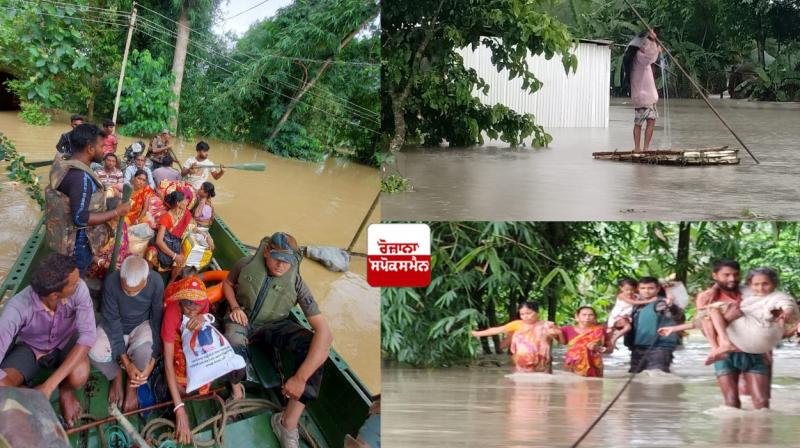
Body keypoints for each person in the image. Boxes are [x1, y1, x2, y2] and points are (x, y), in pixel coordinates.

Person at [220, 232, 332, 448]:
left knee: (316, 349)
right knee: (232, 341)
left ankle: (287, 422)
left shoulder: (297, 283)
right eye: (277, 259)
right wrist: (234, 307)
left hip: (273, 326)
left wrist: (300, 378)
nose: (282, 266)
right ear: (266, 252)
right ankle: (236, 390)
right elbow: (227, 283)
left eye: (288, 262)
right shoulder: (246, 263)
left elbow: (325, 333)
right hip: (242, 317)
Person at [0, 254, 96, 428]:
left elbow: (88, 336)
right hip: (31, 348)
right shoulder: (17, 307)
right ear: (54, 295)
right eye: (74, 283)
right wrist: (38, 393)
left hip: (66, 341)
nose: (80, 283)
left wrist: (50, 386)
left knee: (80, 375)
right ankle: (32, 395)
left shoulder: (79, 289)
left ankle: (65, 390)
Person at [162, 273, 245, 445]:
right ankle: (182, 393)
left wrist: (203, 317)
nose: (192, 311)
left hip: (193, 336)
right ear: (181, 301)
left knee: (211, 356)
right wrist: (179, 409)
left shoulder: (202, 304)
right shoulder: (172, 313)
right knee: (180, 376)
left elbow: (206, 319)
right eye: (188, 307)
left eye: (196, 308)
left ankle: (236, 388)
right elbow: (168, 363)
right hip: (176, 340)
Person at [45, 123, 131, 276]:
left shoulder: (63, 160)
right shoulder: (81, 178)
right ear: (90, 149)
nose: (105, 150)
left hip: (60, 236)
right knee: (75, 276)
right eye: (102, 146)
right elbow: (80, 217)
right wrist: (117, 211)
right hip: (76, 245)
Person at [89, 256, 164, 412]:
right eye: (125, 289)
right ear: (120, 276)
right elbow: (113, 322)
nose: (129, 293)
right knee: (93, 350)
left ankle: (132, 385)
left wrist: (153, 360)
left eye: (135, 291)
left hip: (141, 325)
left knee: (145, 354)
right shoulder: (111, 282)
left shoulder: (156, 282)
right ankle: (115, 374)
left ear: (146, 280)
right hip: (116, 326)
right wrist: (127, 362)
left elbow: (156, 319)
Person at [471, 301, 561, 373]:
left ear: (537, 312)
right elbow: (497, 330)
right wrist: (476, 333)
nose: (526, 316)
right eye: (522, 314)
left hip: (542, 363)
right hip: (521, 364)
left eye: (529, 313)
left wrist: (555, 333)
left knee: (542, 389)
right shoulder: (517, 324)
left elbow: (561, 339)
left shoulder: (547, 325)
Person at [625, 277, 684, 373]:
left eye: (650, 288)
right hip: (638, 347)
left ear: (658, 289)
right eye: (643, 288)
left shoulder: (661, 303)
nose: (646, 291)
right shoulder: (636, 304)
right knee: (635, 376)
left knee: (657, 375)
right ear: (638, 289)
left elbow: (675, 313)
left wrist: (671, 305)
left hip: (660, 347)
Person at [629, 30, 661, 152]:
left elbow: (651, 58)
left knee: (644, 122)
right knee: (644, 122)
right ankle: (641, 148)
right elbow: (649, 57)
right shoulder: (639, 57)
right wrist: (653, 41)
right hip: (644, 97)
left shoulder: (639, 57)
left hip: (643, 97)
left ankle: (642, 148)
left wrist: (656, 50)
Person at [147, 190, 192, 279]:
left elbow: (193, 225)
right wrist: (175, 256)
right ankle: (146, 277)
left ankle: (169, 285)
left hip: (175, 243)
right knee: (150, 253)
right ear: (178, 203)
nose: (187, 202)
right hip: (164, 243)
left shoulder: (185, 212)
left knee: (181, 261)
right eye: (184, 200)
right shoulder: (166, 218)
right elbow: (159, 241)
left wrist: (205, 234)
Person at [557, 306, 610, 377]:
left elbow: (610, 349)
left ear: (595, 317)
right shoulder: (566, 329)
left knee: (595, 386)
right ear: (577, 316)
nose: (587, 317)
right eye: (584, 315)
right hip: (573, 365)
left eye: (591, 315)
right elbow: (558, 340)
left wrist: (598, 348)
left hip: (594, 366)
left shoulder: (600, 330)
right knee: (571, 386)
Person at [606, 277, 658, 347]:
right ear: (621, 288)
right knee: (627, 327)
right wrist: (649, 301)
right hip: (617, 316)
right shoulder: (621, 295)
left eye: (632, 290)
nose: (629, 292)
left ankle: (611, 341)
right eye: (627, 290)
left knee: (624, 328)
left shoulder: (636, 296)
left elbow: (643, 298)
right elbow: (633, 302)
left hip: (626, 317)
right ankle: (614, 339)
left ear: (636, 288)